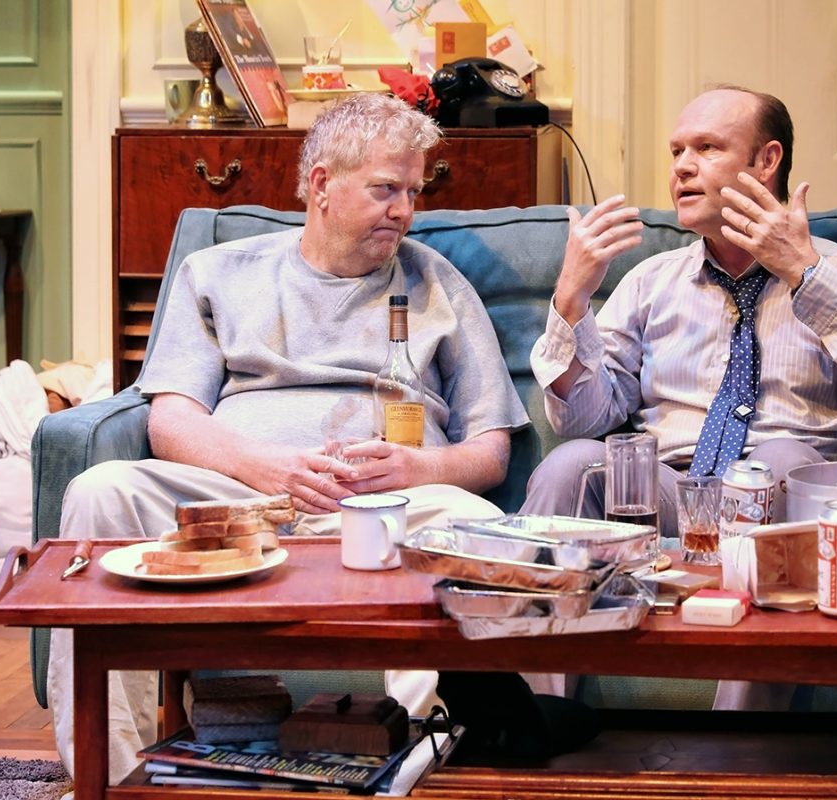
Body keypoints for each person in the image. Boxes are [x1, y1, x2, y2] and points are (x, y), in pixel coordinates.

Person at [46, 92, 529, 786]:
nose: (405, 211)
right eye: (386, 189)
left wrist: (418, 467)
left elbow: (490, 451)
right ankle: (112, 775)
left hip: (394, 506)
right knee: (100, 493)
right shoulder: (219, 273)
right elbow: (171, 418)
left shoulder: (438, 285)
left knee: (479, 528)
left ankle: (405, 767)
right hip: (238, 492)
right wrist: (261, 466)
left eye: (413, 192)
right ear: (322, 185)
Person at [520, 84, 837, 709]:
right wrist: (571, 301)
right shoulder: (652, 282)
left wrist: (804, 275)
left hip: (781, 494)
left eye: (707, 148)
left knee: (787, 467)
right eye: (676, 150)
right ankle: (537, 719)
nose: (681, 167)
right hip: (669, 488)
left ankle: (739, 747)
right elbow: (586, 417)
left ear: (767, 161)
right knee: (569, 464)